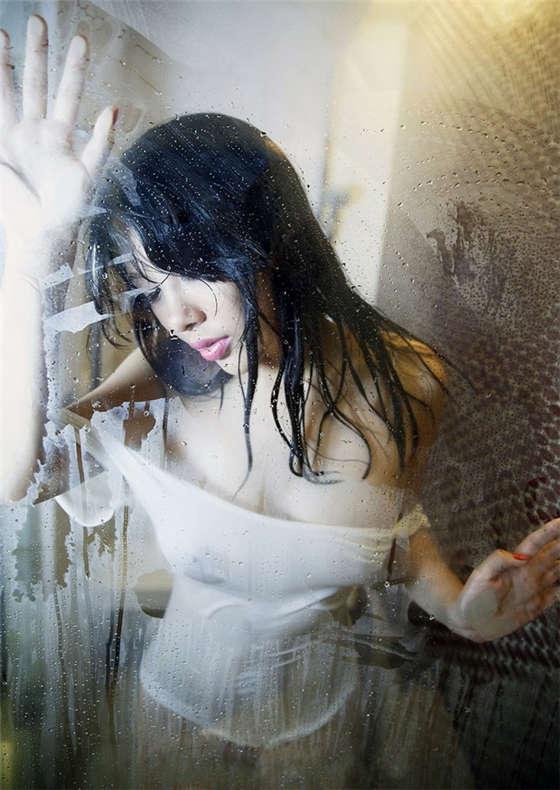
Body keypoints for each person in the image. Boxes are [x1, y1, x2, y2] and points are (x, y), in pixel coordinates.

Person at [1, 15, 559, 788]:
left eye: (193, 268)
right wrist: (28, 262)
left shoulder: (411, 380)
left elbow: (390, 528)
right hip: (170, 724)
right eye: (150, 288)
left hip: (319, 736)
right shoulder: (163, 373)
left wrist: (459, 608)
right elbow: (21, 478)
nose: (176, 315)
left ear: (269, 240)